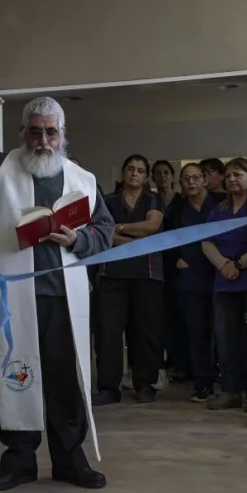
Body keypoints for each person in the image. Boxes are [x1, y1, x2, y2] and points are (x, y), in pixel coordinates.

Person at [0, 74, 114, 492]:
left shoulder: (84, 180)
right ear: (23, 133)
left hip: (63, 300)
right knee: (16, 376)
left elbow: (105, 230)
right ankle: (19, 461)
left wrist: (79, 238)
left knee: (65, 380)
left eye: (51, 133)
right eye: (35, 132)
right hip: (14, 301)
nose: (43, 140)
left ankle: (68, 460)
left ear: (63, 135)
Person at [93, 154, 165, 405]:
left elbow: (152, 227)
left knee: (145, 332)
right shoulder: (108, 201)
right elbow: (103, 232)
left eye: (140, 170)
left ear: (146, 177)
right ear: (122, 173)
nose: (135, 173)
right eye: (131, 169)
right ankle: (108, 388)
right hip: (112, 275)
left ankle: (145, 384)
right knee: (108, 333)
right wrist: (135, 238)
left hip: (147, 275)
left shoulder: (153, 199)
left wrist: (120, 229)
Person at [201, 157, 247, 412]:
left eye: (238, 174)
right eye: (228, 176)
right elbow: (206, 241)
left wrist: (240, 265)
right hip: (224, 283)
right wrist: (224, 265)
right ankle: (230, 390)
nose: (232, 179)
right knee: (226, 338)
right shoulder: (219, 210)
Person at [173, 162, 218, 401]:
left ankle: (233, 383)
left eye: (196, 177)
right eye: (186, 178)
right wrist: (177, 259)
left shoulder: (220, 203)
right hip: (190, 277)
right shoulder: (177, 209)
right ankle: (203, 383)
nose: (191, 182)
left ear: (206, 180)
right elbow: (166, 239)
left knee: (225, 332)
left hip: (220, 274)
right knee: (197, 333)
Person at [152, 159, 186, 385]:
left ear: (172, 176)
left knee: (179, 315)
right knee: (159, 315)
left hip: (179, 263)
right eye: (158, 173)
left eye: (166, 172)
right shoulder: (151, 200)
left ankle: (180, 364)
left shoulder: (181, 201)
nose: (162, 176)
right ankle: (160, 364)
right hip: (156, 263)